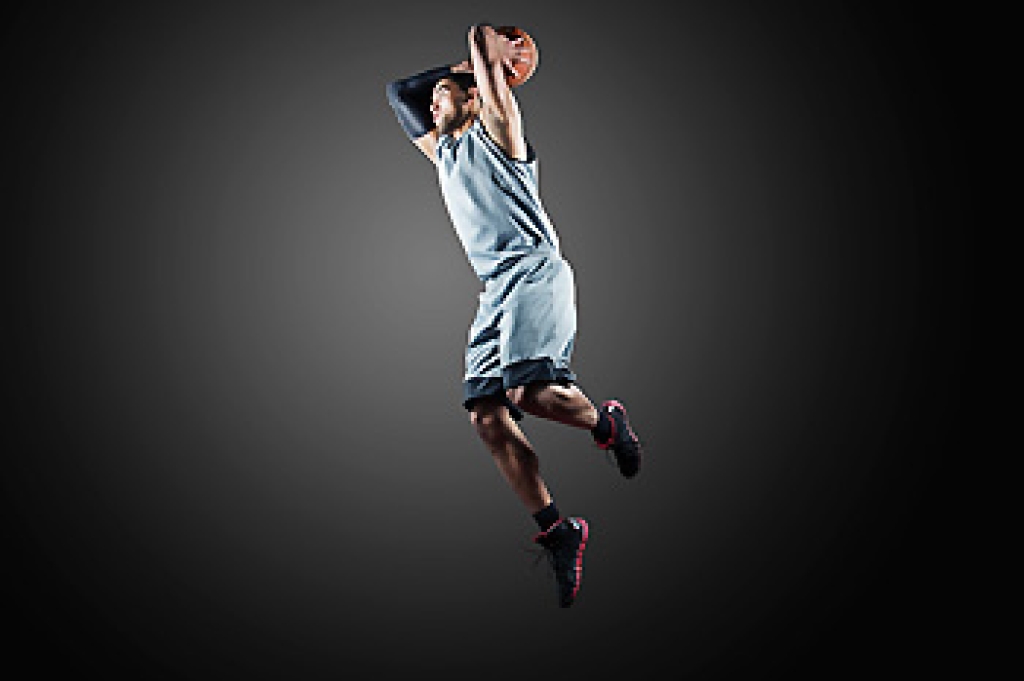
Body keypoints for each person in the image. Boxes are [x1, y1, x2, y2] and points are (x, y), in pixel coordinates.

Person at [385, 24, 643, 608]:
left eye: (444, 94)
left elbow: (480, 35)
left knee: (530, 393)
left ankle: (605, 422)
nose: (433, 102)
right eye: (436, 97)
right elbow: (399, 93)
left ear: (478, 97)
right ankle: (558, 530)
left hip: (534, 272)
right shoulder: (443, 153)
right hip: (495, 290)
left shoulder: (499, 131)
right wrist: (455, 74)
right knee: (487, 418)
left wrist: (486, 61)